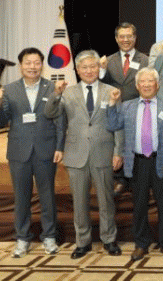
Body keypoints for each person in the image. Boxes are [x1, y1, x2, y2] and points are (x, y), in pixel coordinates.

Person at [44, 50, 123, 259]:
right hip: (76, 153)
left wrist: (118, 151)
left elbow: (118, 124)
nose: (89, 71)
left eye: (93, 66)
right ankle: (82, 242)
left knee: (106, 201)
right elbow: (50, 113)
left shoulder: (112, 91)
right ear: (77, 70)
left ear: (99, 68)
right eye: (84, 67)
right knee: (79, 202)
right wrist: (56, 94)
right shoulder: (67, 92)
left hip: (104, 152)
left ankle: (109, 239)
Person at [0, 47, 64, 257]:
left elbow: (60, 120)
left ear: (42, 65)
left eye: (36, 63)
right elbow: (1, 121)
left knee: (47, 197)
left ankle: (49, 237)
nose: (33, 67)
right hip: (19, 151)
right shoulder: (9, 89)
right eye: (28, 63)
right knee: (21, 198)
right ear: (21, 66)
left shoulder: (52, 88)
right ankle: (22, 238)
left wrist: (60, 147)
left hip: (46, 150)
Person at [106, 67, 163, 260]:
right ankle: (141, 244)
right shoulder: (127, 106)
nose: (147, 85)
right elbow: (113, 125)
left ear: (157, 85)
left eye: (150, 81)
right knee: (139, 206)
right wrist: (112, 104)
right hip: (137, 162)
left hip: (162, 161)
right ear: (137, 85)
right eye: (143, 81)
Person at [99, 22, 149, 195]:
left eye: (129, 36)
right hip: (116, 109)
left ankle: (136, 179)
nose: (125, 40)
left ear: (135, 38)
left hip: (138, 108)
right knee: (118, 144)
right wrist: (102, 71)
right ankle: (120, 179)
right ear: (116, 38)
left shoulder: (145, 60)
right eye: (122, 36)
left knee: (137, 144)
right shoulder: (108, 60)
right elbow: (102, 84)